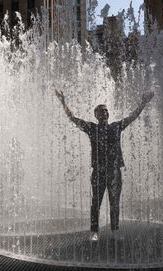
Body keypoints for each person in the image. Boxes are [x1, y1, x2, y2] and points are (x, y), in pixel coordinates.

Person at [55, 90, 154, 241]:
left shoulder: (116, 127)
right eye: (101, 111)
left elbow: (132, 117)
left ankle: (115, 230)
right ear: (96, 115)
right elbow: (72, 118)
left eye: (106, 110)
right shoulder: (91, 128)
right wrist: (63, 102)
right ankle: (94, 231)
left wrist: (143, 103)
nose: (105, 113)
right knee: (96, 202)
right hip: (98, 171)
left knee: (115, 202)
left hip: (114, 171)